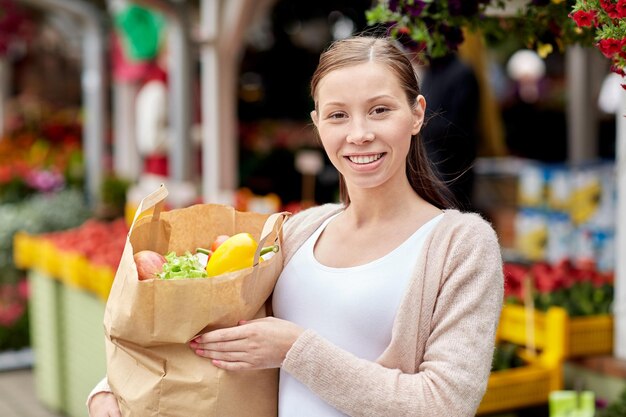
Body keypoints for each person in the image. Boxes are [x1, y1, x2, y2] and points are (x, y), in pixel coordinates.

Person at [88, 35, 504, 417]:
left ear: (416, 114)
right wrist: (112, 389)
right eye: (338, 115)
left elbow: (444, 403)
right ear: (317, 123)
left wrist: (293, 350)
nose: (359, 134)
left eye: (380, 110)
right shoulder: (301, 230)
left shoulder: (461, 245)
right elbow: (205, 323)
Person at [420, 53, 481, 211]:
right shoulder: (430, 72)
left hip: (453, 167)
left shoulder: (462, 73)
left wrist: (419, 124)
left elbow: (459, 125)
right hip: (429, 163)